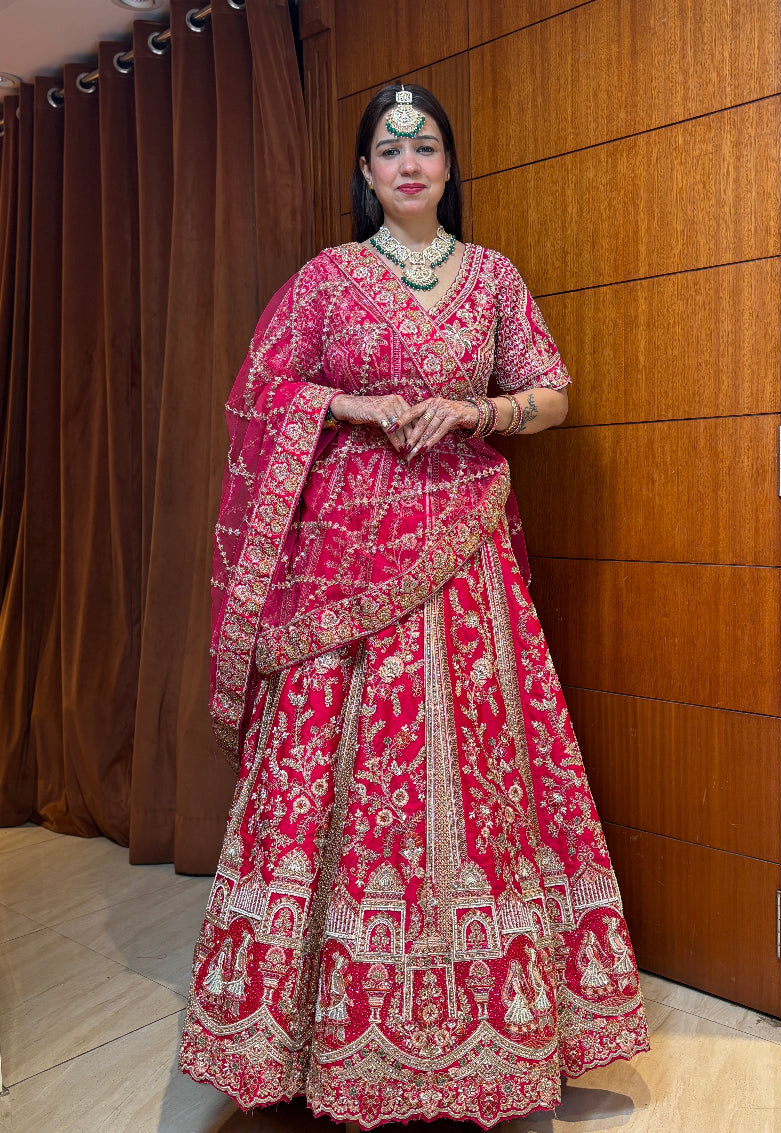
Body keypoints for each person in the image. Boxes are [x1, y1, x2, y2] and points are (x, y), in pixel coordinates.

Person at [179, 83, 649, 1127]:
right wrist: (350, 402)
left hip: (466, 551)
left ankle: (505, 1026)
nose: (406, 161)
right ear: (363, 172)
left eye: (424, 145)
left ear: (447, 165)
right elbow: (258, 392)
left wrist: (475, 407)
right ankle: (301, 1031)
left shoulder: (492, 279)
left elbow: (554, 391)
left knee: (480, 766)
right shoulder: (327, 280)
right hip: (341, 556)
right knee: (330, 768)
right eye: (387, 148)